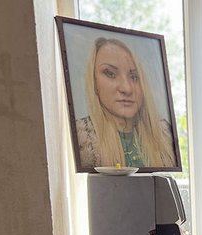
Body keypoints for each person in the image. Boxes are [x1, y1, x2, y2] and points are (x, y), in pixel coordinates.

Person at [76, 37, 177, 169]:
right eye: (110, 74)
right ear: (94, 83)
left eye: (134, 77)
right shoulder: (82, 138)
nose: (126, 89)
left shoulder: (165, 135)